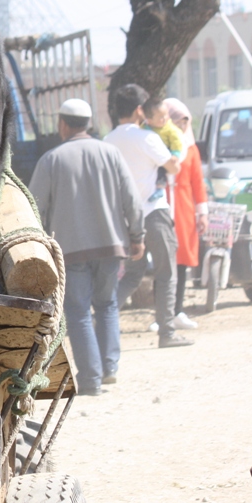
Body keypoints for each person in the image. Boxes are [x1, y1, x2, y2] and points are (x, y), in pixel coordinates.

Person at [29, 99, 145, 395]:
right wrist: (137, 236)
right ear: (89, 123)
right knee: (107, 306)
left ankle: (91, 378)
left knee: (78, 311)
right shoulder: (111, 154)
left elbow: (34, 206)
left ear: (63, 124)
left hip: (71, 252)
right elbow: (131, 200)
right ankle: (110, 368)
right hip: (111, 246)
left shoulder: (52, 160)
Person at [104, 84, 193, 348]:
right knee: (166, 272)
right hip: (154, 214)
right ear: (140, 110)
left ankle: (104, 323)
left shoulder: (108, 141)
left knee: (132, 275)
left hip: (126, 220)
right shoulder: (147, 138)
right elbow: (174, 167)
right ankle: (166, 332)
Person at [165, 97, 208, 330]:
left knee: (182, 259)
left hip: (184, 207)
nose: (181, 128)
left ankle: (178, 309)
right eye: (177, 122)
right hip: (163, 202)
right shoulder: (158, 145)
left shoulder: (191, 149)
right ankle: (163, 312)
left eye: (184, 123)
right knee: (164, 260)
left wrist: (203, 212)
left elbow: (198, 182)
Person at [141, 97, 186, 203]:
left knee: (161, 171)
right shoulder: (144, 127)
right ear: (149, 120)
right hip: (150, 156)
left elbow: (176, 141)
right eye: (161, 117)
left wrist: (175, 154)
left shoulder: (169, 128)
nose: (165, 118)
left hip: (165, 154)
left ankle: (160, 187)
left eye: (166, 115)